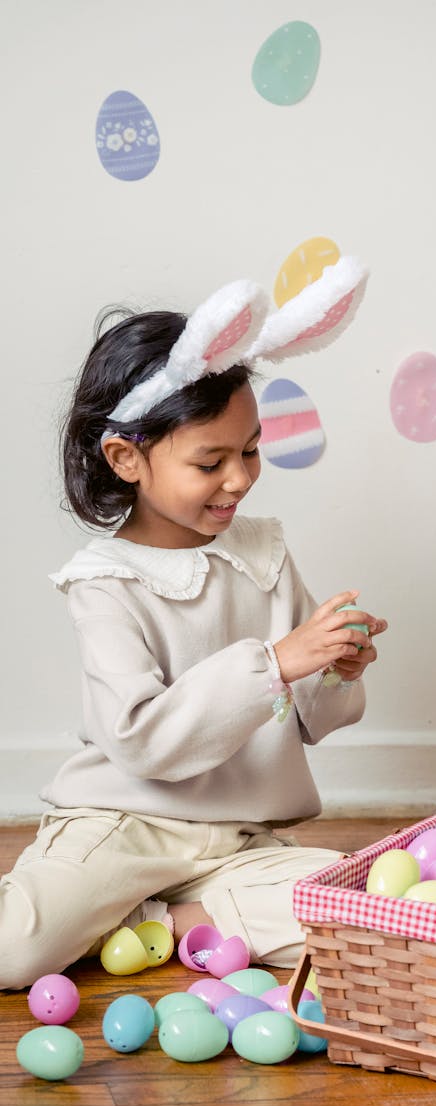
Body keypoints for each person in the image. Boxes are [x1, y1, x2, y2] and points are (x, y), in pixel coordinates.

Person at [0, 262, 387, 990]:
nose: (239, 478)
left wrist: (334, 666)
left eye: (250, 450)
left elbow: (308, 718)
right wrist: (276, 660)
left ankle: (171, 919)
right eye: (210, 461)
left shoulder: (264, 550)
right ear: (127, 458)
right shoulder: (104, 582)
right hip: (126, 826)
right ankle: (124, 902)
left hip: (244, 839)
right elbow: (143, 736)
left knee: (360, 903)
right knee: (13, 950)